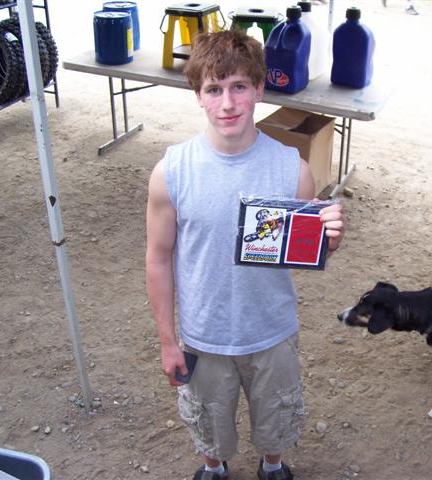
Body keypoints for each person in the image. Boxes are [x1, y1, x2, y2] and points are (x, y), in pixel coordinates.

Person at [145, 30, 345, 480]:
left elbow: (299, 254)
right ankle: (213, 468)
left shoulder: (293, 170)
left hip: (271, 332)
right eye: (213, 89)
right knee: (208, 420)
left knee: (276, 416)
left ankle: (273, 465)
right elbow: (158, 257)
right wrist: (167, 340)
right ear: (198, 96)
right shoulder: (171, 172)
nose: (228, 103)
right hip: (203, 335)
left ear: (259, 88)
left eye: (238, 86)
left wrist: (327, 240)